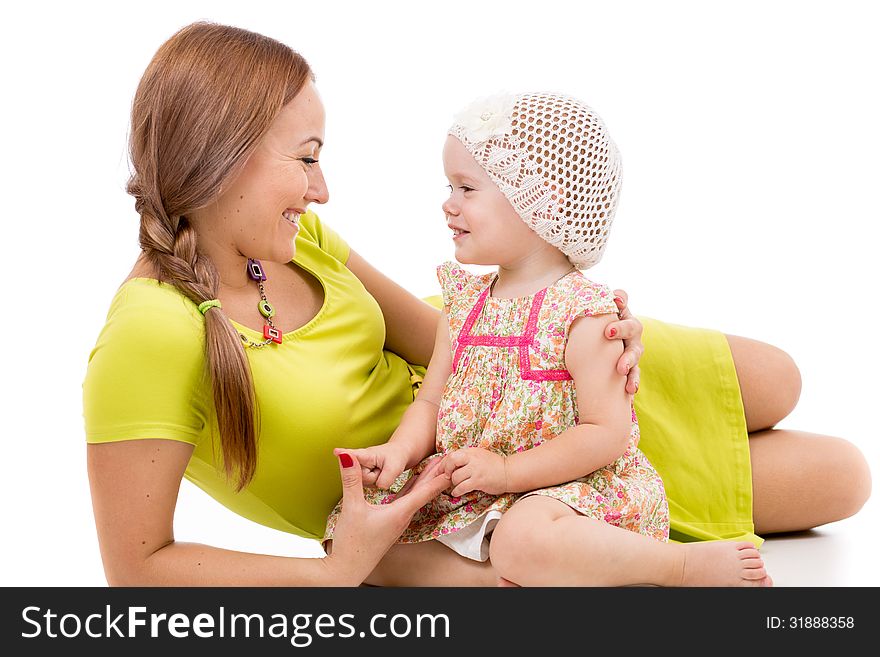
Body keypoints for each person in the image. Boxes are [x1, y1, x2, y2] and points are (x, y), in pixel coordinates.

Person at [83, 22, 870, 587]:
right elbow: (136, 568)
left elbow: (438, 338)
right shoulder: (151, 333)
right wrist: (332, 578)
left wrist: (584, 333)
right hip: (478, 500)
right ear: (224, 154)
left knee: (782, 381)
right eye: (308, 158)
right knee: (840, 480)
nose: (322, 188)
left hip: (527, 374)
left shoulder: (301, 237)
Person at [324, 92, 774, 586]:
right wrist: (400, 452)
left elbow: (606, 432)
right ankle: (500, 581)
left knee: (525, 537)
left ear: (542, 202)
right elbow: (431, 400)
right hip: (477, 486)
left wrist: (510, 472)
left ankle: (679, 566)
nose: (448, 204)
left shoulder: (583, 314)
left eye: (468, 188)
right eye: (449, 185)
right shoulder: (464, 303)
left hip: (566, 492)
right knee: (350, 535)